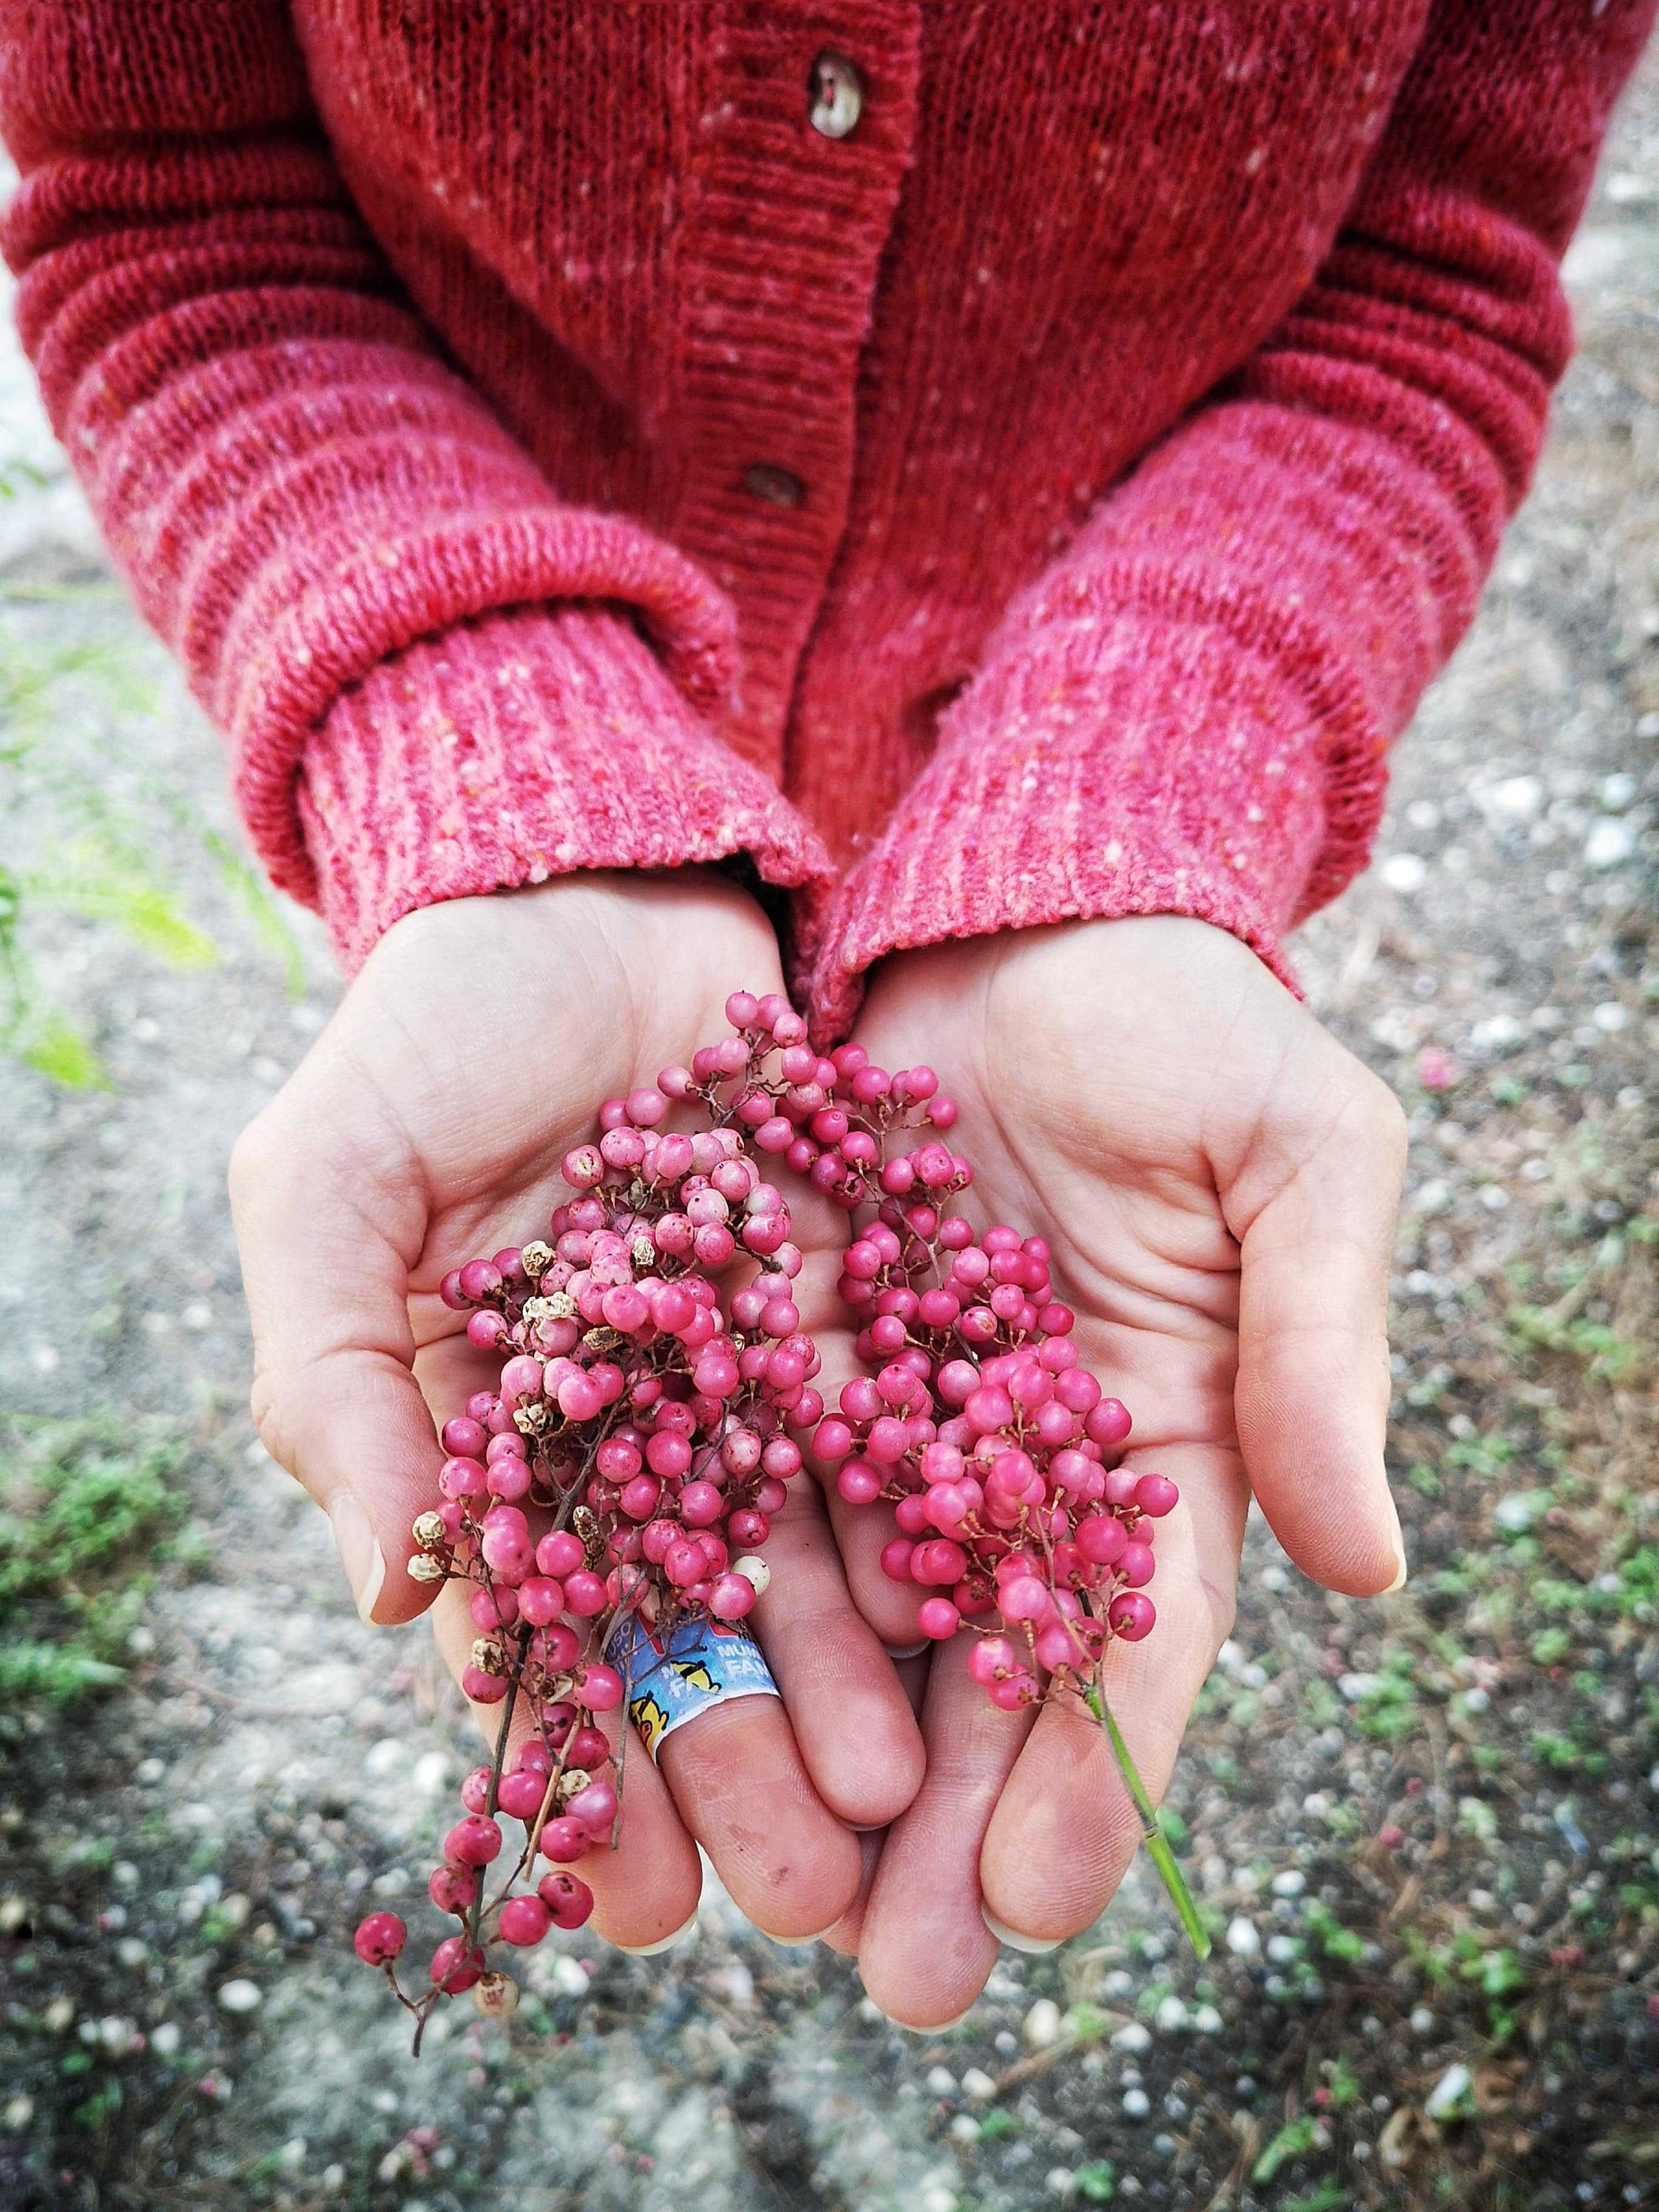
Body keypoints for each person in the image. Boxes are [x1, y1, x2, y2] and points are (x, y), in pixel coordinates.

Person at [2, 3, 1649, 2028]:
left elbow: (1433, 283)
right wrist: (506, 785)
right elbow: (174, 222)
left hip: (1084, 747)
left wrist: (1128, 816)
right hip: (518, 737)